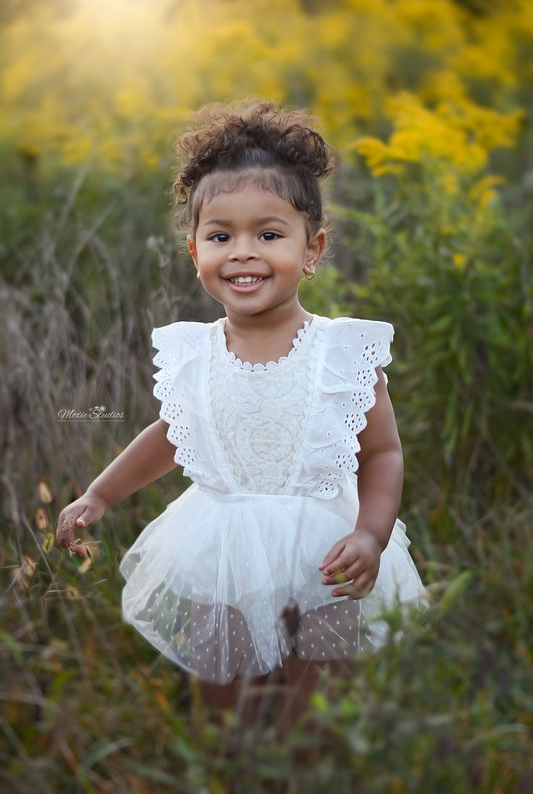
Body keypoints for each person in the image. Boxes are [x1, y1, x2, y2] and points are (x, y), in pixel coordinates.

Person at [56, 101, 426, 729]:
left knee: (318, 703)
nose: (243, 253)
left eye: (269, 234)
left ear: (313, 248)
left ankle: (306, 766)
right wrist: (99, 493)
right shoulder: (192, 354)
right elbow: (173, 435)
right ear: (193, 250)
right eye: (220, 235)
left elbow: (381, 453)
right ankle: (238, 768)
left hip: (324, 553)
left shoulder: (340, 353)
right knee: (225, 702)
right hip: (220, 547)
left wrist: (371, 532)